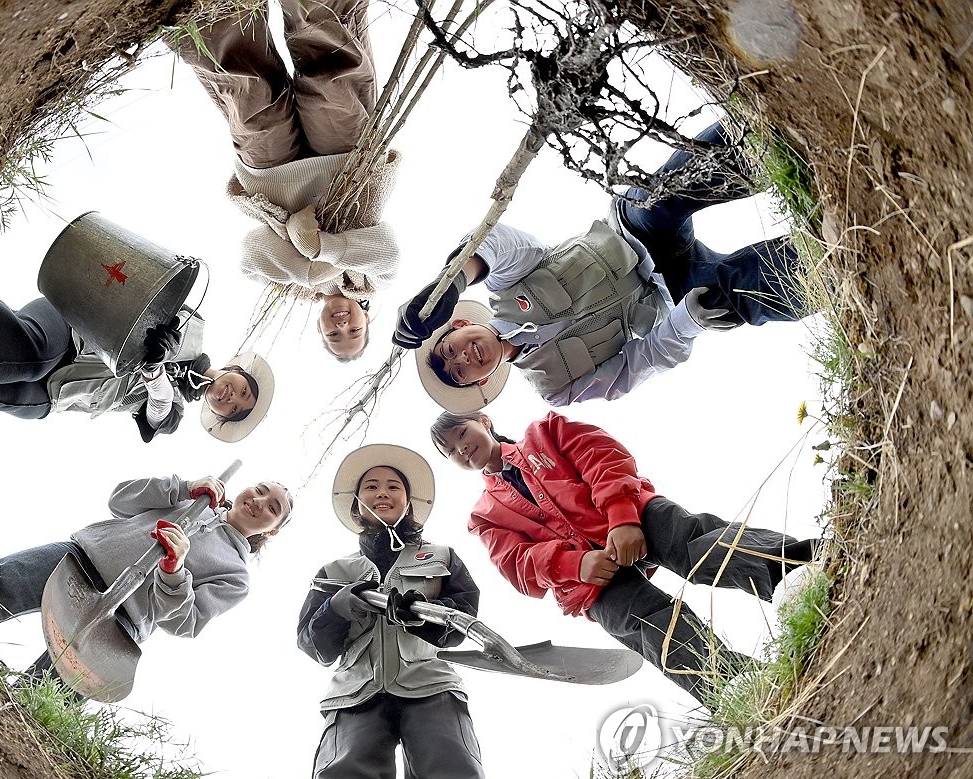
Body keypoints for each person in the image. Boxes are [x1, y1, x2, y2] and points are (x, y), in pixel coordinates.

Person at [395, 119, 807, 412]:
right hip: (672, 292)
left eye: (451, 350)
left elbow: (501, 242)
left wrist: (451, 282)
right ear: (481, 381)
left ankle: (774, 128)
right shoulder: (554, 388)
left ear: (460, 325)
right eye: (460, 372)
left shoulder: (505, 286)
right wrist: (685, 325)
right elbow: (635, 365)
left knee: (660, 196)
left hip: (632, 232)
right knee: (727, 302)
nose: (465, 358)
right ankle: (832, 263)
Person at [429, 410, 819, 706]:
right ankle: (730, 684)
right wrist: (575, 565)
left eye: (461, 433)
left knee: (693, 544)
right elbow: (517, 563)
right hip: (587, 584)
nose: (461, 448)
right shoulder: (483, 516)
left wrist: (622, 517)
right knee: (645, 623)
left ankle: (794, 569)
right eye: (450, 451)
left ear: (484, 419)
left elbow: (603, 458)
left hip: (632, 516)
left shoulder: (545, 432)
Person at [174, 0, 399, 362]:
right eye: (354, 331)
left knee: (251, 100)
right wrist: (320, 250)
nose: (342, 324)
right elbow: (387, 250)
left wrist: (307, 260)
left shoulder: (293, 289)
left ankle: (217, 9)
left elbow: (251, 255)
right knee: (333, 79)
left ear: (318, 328)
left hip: (276, 181)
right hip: (347, 167)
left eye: (334, 334)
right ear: (368, 317)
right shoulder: (375, 282)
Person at [0, 472, 293, 693]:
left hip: (119, 622)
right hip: (80, 559)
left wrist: (173, 573)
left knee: (50, 693)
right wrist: (182, 487)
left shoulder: (236, 575)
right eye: (260, 490)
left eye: (272, 508)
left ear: (272, 530)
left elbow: (185, 622)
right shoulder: (194, 498)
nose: (259, 501)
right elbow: (120, 500)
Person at [297, 444, 490, 779]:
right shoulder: (333, 572)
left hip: (432, 687)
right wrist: (338, 606)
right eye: (370, 486)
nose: (382, 491)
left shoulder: (440, 556)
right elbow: (313, 644)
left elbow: (464, 616)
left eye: (393, 486)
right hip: (355, 695)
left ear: (408, 501)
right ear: (357, 504)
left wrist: (421, 615)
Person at [0, 286, 275, 443]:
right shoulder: (194, 328)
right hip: (72, 328)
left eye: (234, 408)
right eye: (243, 390)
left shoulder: (172, 415)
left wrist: (156, 376)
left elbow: (157, 410)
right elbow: (152, 298)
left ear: (219, 415)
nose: (232, 396)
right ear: (236, 370)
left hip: (58, 395)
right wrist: (161, 335)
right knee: (34, 354)